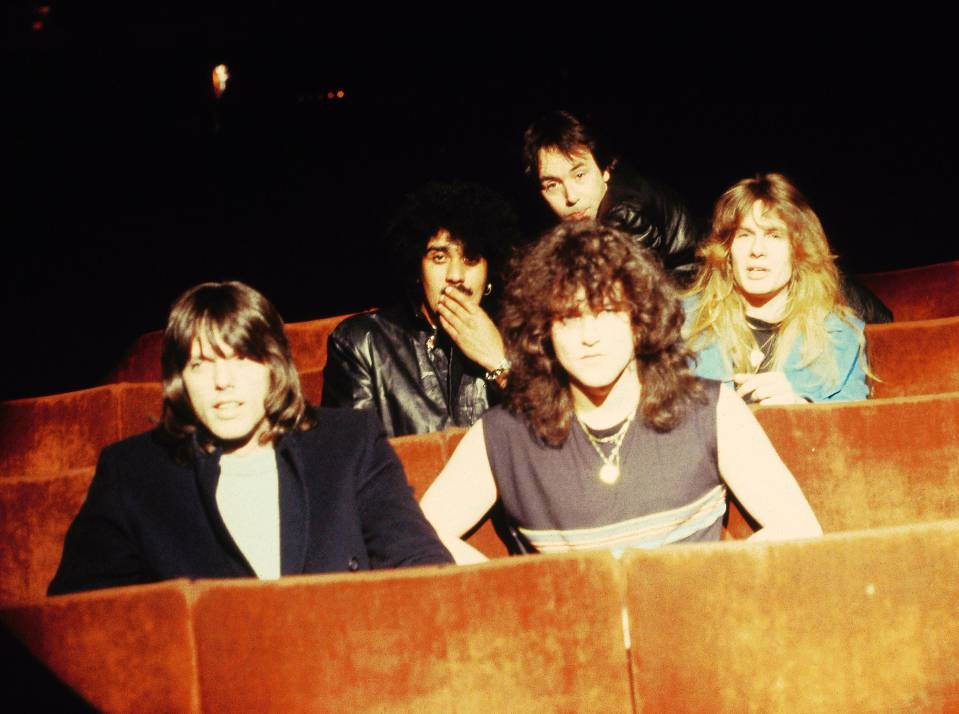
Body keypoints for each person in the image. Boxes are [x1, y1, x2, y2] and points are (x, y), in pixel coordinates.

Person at [420, 222, 822, 564]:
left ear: (639, 320)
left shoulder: (711, 410)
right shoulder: (504, 435)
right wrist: (517, 597)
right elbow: (416, 538)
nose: (590, 336)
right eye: (570, 318)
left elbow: (798, 528)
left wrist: (711, 590)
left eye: (608, 312)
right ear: (545, 331)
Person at [48, 281, 452, 595]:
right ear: (180, 380)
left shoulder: (348, 443)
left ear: (273, 366)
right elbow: (83, 619)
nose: (222, 382)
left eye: (240, 359)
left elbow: (419, 562)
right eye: (202, 365)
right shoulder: (133, 473)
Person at [322, 181, 518, 436]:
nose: (456, 275)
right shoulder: (364, 343)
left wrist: (499, 363)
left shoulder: (522, 335)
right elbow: (352, 462)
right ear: (417, 269)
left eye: (470, 259)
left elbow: (556, 439)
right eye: (440, 257)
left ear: (489, 271)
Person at [683, 173, 870, 404]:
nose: (757, 250)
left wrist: (800, 412)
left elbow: (854, 424)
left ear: (799, 250)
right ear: (727, 251)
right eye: (744, 235)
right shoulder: (681, 323)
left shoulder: (839, 335)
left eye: (774, 236)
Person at [522, 109, 702, 285]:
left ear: (605, 170)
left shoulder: (623, 215)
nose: (571, 197)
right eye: (552, 185)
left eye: (579, 175)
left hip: (687, 288)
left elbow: (641, 295)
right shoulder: (607, 197)